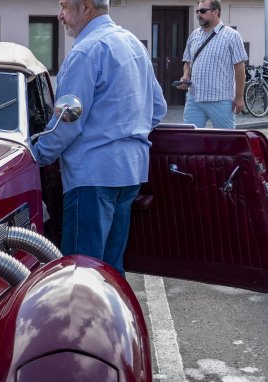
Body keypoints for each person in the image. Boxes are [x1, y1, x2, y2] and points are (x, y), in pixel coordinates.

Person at [31, 0, 166, 275]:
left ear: (86, 6)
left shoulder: (85, 52)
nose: (60, 16)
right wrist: (125, 133)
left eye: (64, 7)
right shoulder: (133, 45)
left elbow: (66, 123)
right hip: (130, 172)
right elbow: (158, 108)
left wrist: (35, 155)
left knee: (81, 272)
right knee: (111, 268)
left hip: (92, 176)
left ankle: (84, 320)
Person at [177, 0, 247, 129]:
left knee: (225, 143)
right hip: (195, 99)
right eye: (197, 11)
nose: (199, 14)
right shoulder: (194, 35)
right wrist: (186, 76)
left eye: (203, 11)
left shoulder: (232, 36)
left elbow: (240, 70)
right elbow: (187, 61)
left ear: (216, 12)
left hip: (221, 101)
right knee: (190, 141)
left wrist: (239, 97)